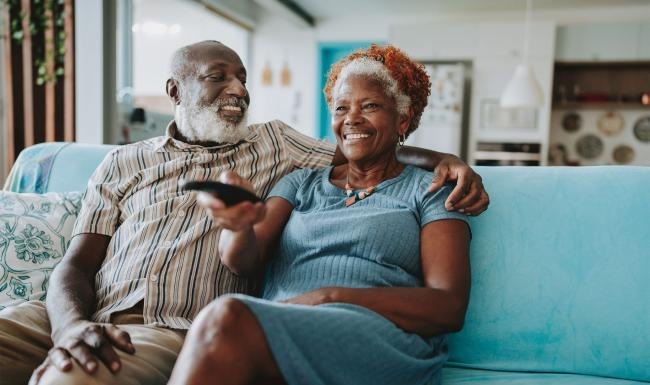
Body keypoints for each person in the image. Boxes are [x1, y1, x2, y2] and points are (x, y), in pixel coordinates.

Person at [0, 41, 487, 385]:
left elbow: (368, 151)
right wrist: (69, 325)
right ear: (174, 89)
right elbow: (80, 264)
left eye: (242, 79)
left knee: (72, 378)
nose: (238, 89)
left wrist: (447, 160)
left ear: (402, 118)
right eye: (218, 77)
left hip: (180, 327)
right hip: (82, 313)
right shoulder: (127, 160)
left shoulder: (277, 145)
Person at [168, 44, 472, 385]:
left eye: (369, 106)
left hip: (378, 340)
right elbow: (244, 262)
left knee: (226, 317)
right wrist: (238, 227)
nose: (352, 118)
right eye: (341, 108)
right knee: (225, 321)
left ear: (402, 118)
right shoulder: (299, 183)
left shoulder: (430, 190)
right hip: (284, 327)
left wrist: (332, 296)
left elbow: (448, 306)